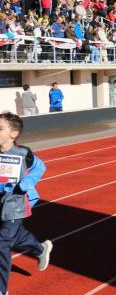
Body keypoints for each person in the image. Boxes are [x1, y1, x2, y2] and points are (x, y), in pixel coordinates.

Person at [0, 112, 53, 294]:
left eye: (0, 128)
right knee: (17, 237)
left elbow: (40, 167)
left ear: (13, 134)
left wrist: (28, 182)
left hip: (15, 206)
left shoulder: (24, 153)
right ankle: (40, 249)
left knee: (2, 244)